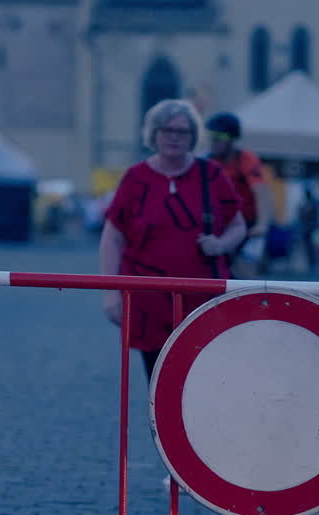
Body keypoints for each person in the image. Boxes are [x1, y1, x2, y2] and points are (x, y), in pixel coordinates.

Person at [99, 98, 247, 380]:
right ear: (153, 134)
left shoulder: (211, 175)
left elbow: (237, 226)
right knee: (159, 380)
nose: (174, 138)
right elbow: (112, 237)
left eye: (182, 132)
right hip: (148, 300)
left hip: (203, 299)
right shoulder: (136, 178)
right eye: (167, 130)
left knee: (205, 378)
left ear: (193, 136)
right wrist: (110, 292)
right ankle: (160, 426)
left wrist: (221, 244)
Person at [205, 111, 272, 276]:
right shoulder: (207, 161)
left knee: (246, 269)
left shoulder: (246, 159)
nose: (214, 141)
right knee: (215, 270)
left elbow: (261, 191)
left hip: (249, 225)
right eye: (211, 135)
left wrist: (262, 224)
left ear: (232, 138)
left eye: (220, 136)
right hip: (222, 224)